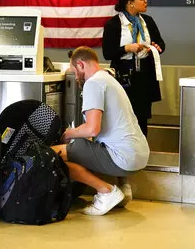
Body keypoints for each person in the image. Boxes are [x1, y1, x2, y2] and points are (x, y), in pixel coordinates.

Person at [52, 46, 150, 216]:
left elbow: (92, 129)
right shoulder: (108, 78)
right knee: (93, 144)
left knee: (56, 156)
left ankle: (106, 192)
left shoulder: (93, 83)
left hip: (124, 158)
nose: (75, 77)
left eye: (74, 71)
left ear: (81, 64)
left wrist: (68, 134)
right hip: (139, 155)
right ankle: (123, 188)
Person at [102, 0, 165, 136]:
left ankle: (141, 152)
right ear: (130, 3)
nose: (145, 1)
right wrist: (126, 48)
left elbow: (161, 44)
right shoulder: (114, 24)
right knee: (123, 115)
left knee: (142, 118)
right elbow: (107, 53)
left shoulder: (147, 21)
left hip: (144, 75)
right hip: (124, 75)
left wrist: (156, 47)